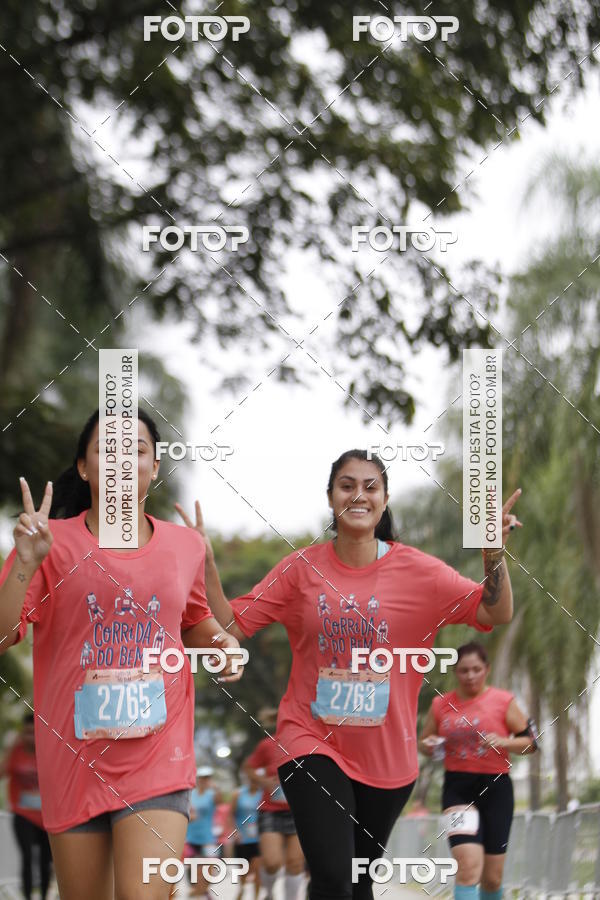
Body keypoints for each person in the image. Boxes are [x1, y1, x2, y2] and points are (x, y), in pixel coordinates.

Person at [178, 449, 522, 900]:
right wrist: (207, 566)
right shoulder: (301, 569)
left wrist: (493, 555)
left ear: (383, 499)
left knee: (359, 880)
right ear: (330, 498)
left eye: (370, 486)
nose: (358, 494)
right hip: (311, 738)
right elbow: (230, 625)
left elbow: (495, 611)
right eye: (346, 484)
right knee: (334, 875)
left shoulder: (419, 572)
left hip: (388, 759)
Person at [0, 408, 243, 900]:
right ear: (85, 468)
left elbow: (195, 621)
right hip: (74, 755)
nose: (121, 461)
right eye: (106, 450)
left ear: (154, 467)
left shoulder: (184, 547)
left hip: (159, 753)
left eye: (136, 450)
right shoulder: (50, 543)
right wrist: (25, 565)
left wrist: (226, 647)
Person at [419, 641, 538, 900]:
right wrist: (429, 745)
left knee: (492, 878)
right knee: (468, 867)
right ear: (455, 672)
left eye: (476, 669)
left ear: (487, 669)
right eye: (463, 670)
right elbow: (424, 742)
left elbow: (530, 743)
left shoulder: (504, 701)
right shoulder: (441, 705)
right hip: (458, 791)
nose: (470, 675)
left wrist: (505, 741)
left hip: (497, 789)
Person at [243, 708, 305, 900]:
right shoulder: (268, 745)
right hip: (271, 811)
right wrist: (264, 782)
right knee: (271, 862)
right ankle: (269, 894)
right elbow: (248, 767)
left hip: (299, 811)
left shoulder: (306, 745)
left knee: (295, 863)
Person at [0, 712, 53, 899]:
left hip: (47, 817)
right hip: (22, 815)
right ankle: (28, 897)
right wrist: (11, 747)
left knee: (46, 861)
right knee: (27, 858)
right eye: (27, 732)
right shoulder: (16, 751)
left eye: (34, 732)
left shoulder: (48, 752)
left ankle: (45, 896)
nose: (30, 737)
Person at [186, 766, 221, 897]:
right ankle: (200, 892)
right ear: (198, 779)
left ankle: (202, 891)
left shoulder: (212, 794)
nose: (205, 780)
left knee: (210, 869)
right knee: (195, 872)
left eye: (208, 778)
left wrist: (216, 788)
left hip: (208, 838)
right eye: (203, 778)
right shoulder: (191, 794)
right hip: (191, 838)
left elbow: (220, 801)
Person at [232, 770, 263, 900]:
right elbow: (230, 815)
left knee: (257, 869)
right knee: (243, 871)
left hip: (259, 837)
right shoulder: (238, 794)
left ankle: (256, 896)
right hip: (242, 838)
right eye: (252, 778)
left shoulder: (264, 794)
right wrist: (235, 831)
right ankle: (242, 890)